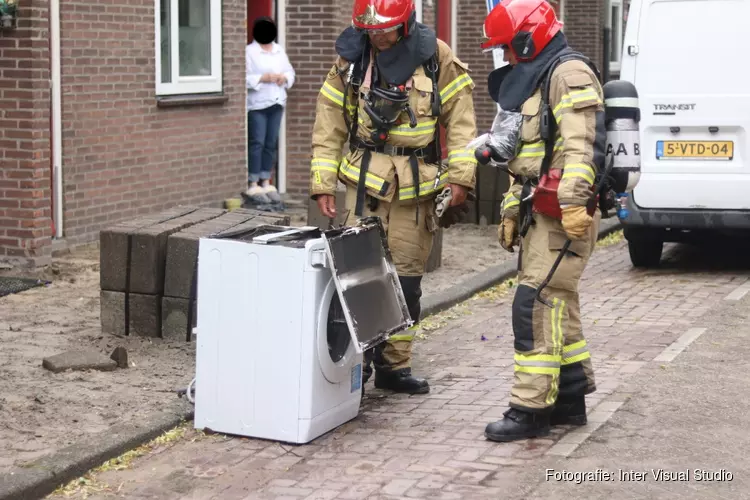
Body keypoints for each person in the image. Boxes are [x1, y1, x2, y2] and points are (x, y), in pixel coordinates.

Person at [309, 0, 478, 395]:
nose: (377, 36)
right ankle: (356, 364)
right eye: (370, 30)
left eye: (384, 29)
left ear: (404, 24)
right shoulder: (351, 59)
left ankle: (393, 366)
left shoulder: (436, 56)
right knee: (355, 275)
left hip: (414, 190)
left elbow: (461, 121)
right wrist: (322, 182)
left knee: (406, 279)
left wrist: (460, 179)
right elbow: (329, 122)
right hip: (362, 184)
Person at [478, 0, 605, 442]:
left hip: (562, 216)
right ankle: (570, 401)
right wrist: (514, 208)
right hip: (543, 213)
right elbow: (533, 159)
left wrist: (571, 205)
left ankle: (529, 410)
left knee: (534, 306)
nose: (507, 57)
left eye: (509, 47)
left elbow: (579, 147)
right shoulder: (539, 74)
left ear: (530, 37)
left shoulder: (567, 74)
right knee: (559, 307)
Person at [245, 16, 295, 205]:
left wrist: (284, 78)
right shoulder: (250, 52)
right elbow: (244, 77)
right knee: (256, 142)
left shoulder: (278, 50)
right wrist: (262, 78)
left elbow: (290, 72)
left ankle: (266, 181)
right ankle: (253, 182)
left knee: (270, 143)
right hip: (258, 103)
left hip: (277, 101)